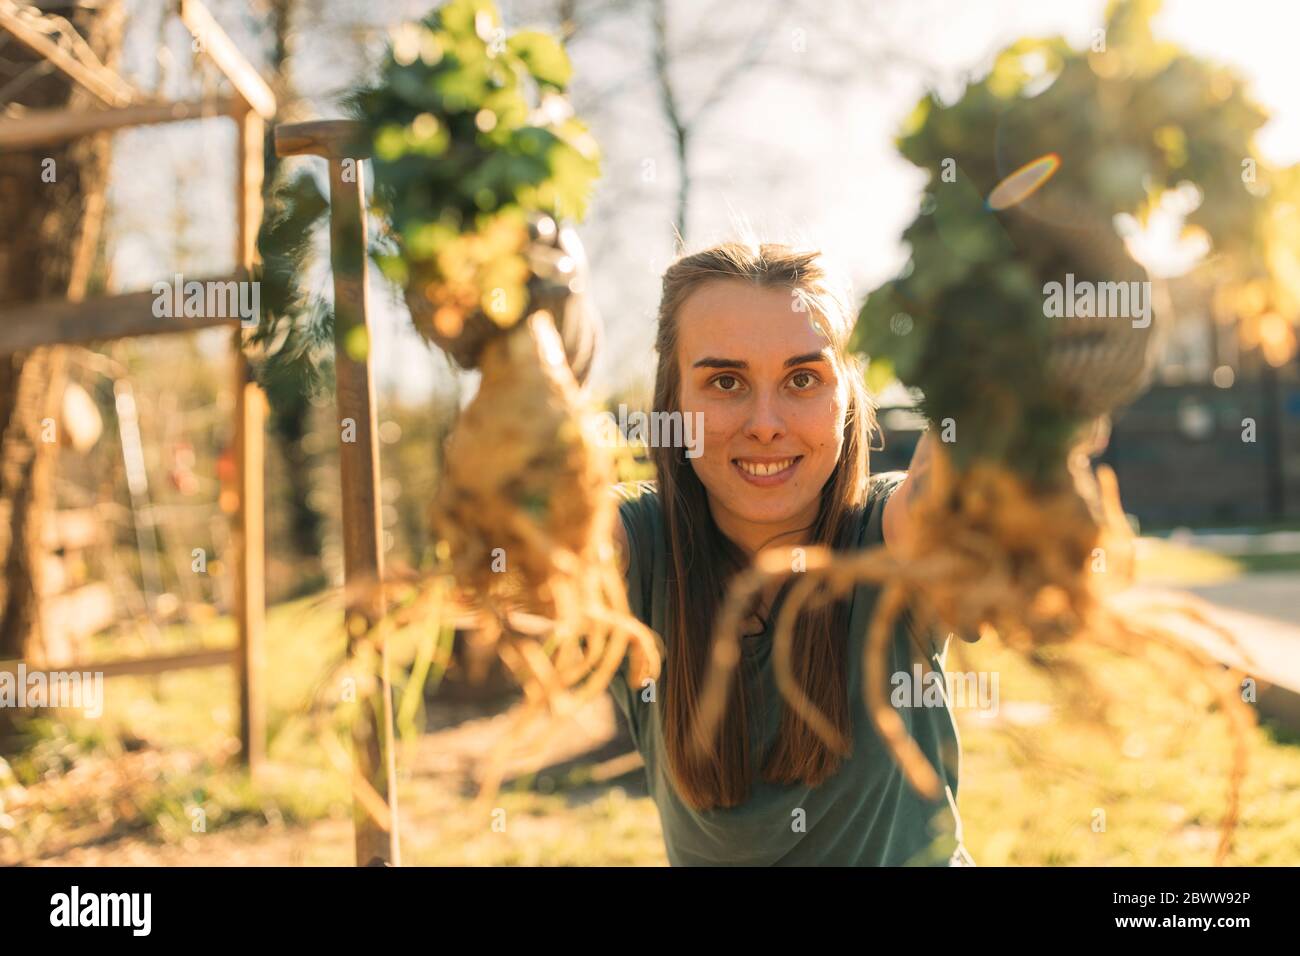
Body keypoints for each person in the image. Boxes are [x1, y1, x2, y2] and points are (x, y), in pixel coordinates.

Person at [606, 241, 976, 866]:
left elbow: (971, 460)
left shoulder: (891, 536)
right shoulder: (638, 548)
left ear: (848, 399)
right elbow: (542, 542)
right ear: (673, 402)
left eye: (803, 379)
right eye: (726, 381)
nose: (766, 422)